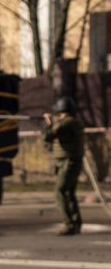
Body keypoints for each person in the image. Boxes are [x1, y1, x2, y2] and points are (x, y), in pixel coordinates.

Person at [43, 97, 85, 235]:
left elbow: (49, 135)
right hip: (68, 162)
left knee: (60, 191)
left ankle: (69, 224)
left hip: (68, 162)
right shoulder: (71, 123)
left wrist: (49, 123)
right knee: (69, 192)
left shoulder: (67, 123)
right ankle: (75, 222)